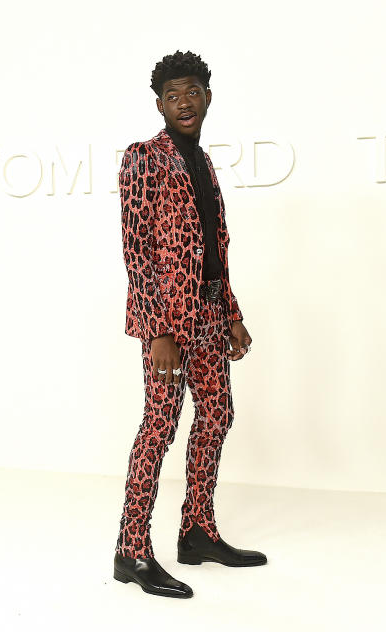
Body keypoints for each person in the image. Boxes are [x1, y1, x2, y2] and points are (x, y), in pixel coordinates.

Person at [112, 50, 267, 599]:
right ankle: (132, 549)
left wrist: (233, 316)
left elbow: (214, 252)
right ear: (159, 104)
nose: (183, 102)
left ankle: (197, 531)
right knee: (159, 424)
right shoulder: (143, 158)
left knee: (218, 413)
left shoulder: (202, 162)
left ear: (207, 98)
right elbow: (137, 250)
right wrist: (156, 329)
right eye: (172, 95)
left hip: (209, 312)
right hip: (169, 323)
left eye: (192, 92)